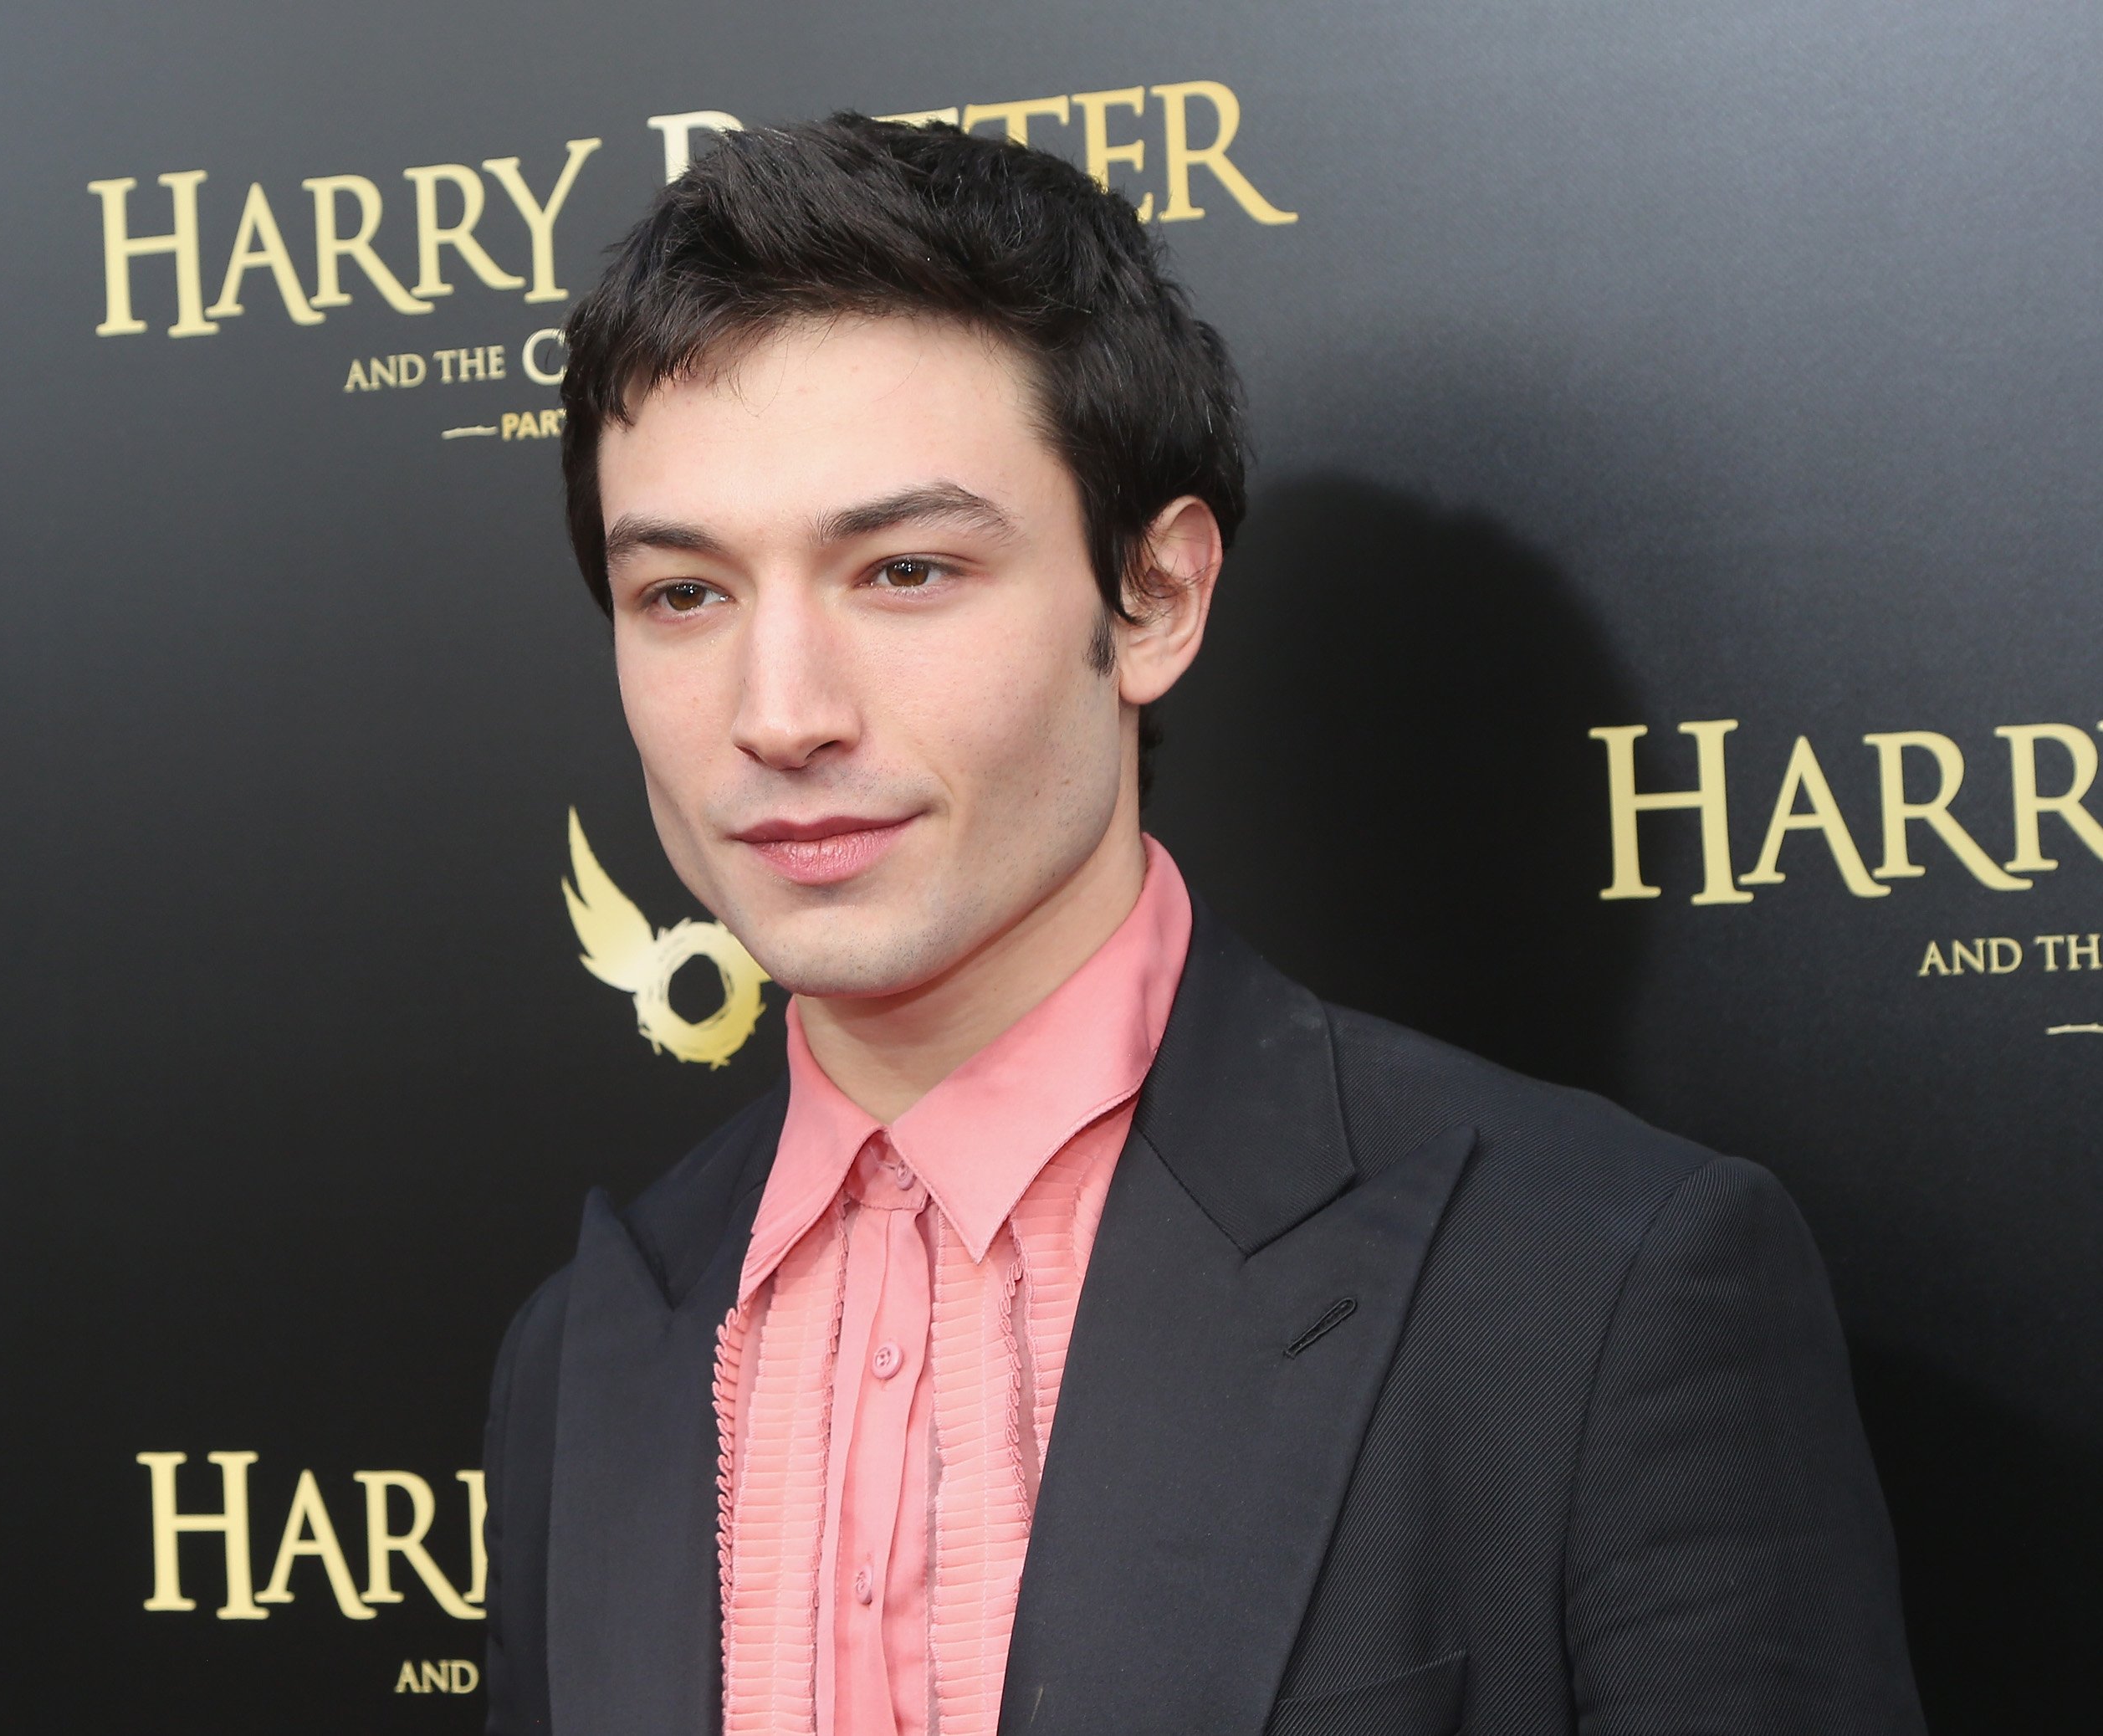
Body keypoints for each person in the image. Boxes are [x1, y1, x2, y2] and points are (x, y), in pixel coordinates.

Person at [481, 115, 1923, 1736]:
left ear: (1155, 597)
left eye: (903, 571)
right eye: (685, 595)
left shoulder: (1596, 1288)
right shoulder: (587, 1345)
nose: (780, 712)